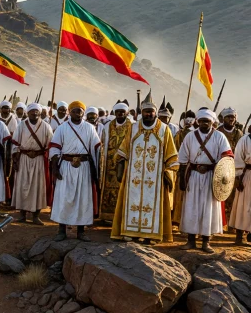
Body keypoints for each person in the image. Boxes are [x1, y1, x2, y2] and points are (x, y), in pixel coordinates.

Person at [111, 96, 178, 243]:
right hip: (133, 176)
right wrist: (120, 167)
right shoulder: (133, 128)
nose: (149, 114)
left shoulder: (164, 129)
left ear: (155, 112)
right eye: (146, 111)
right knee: (132, 201)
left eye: (151, 111)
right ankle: (132, 232)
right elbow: (123, 149)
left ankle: (151, 235)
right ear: (142, 112)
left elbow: (172, 155)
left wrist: (169, 172)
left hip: (155, 178)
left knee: (152, 204)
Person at [178, 107, 232, 251]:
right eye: (202, 121)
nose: (204, 123)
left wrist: (220, 170)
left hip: (211, 176)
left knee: (208, 208)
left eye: (207, 121)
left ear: (212, 122)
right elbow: (182, 159)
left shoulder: (219, 137)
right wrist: (182, 178)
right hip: (194, 176)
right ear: (198, 121)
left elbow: (227, 156)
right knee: (191, 207)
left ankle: (206, 242)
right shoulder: (190, 136)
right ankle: (191, 240)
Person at [47, 102, 102, 242]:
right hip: (66, 166)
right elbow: (54, 148)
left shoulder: (89, 128)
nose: (78, 114)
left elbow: (97, 148)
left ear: (84, 113)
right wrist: (55, 167)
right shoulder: (62, 128)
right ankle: (61, 230)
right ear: (69, 112)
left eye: (80, 111)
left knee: (83, 198)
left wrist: (97, 168)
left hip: (84, 167)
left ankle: (81, 231)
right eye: (75, 111)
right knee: (64, 197)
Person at [8, 105, 52, 225]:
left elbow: (50, 144)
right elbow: (15, 143)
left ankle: (36, 216)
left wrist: (44, 155)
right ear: (27, 113)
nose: (34, 113)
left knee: (38, 186)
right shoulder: (22, 125)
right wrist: (15, 160)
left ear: (40, 113)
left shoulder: (46, 126)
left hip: (38, 159)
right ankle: (22, 215)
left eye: (36, 111)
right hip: (24, 158)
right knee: (22, 185)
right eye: (32, 111)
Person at [98, 103, 133, 226]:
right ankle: (107, 216)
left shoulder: (132, 126)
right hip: (109, 164)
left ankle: (122, 217)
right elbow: (103, 143)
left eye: (123, 111)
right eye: (118, 111)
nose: (120, 113)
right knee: (108, 190)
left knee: (124, 189)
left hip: (125, 163)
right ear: (114, 112)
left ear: (127, 113)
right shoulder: (108, 126)